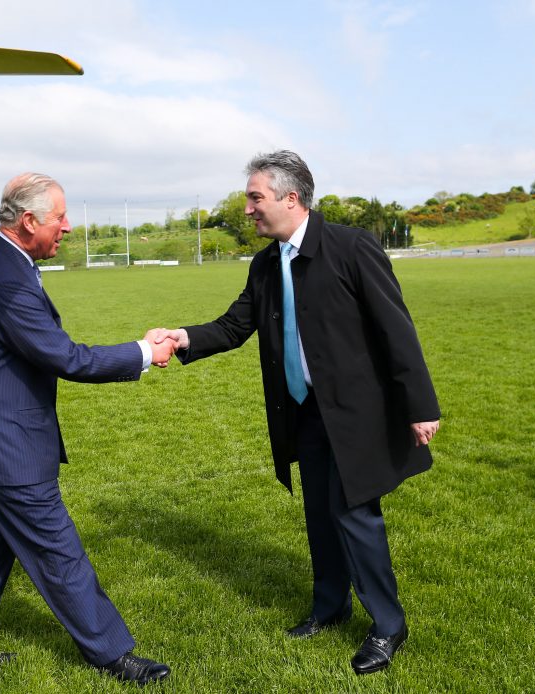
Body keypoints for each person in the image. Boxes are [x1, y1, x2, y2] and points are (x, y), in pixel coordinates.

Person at [152, 150, 439, 675]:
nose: (247, 209)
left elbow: (396, 329)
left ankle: (388, 625)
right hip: (303, 413)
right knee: (319, 519)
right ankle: (330, 606)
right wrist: (184, 337)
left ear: (291, 198)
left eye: (255, 197)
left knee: (355, 516)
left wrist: (419, 406)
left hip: (355, 416)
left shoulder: (352, 247)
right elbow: (236, 325)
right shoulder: (266, 263)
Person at [0, 173, 174, 685]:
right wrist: (142, 352)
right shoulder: (5, 277)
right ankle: (113, 654)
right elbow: (64, 356)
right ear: (27, 222)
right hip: (7, 448)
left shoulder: (5, 262)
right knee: (58, 552)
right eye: (60, 218)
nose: (68, 228)